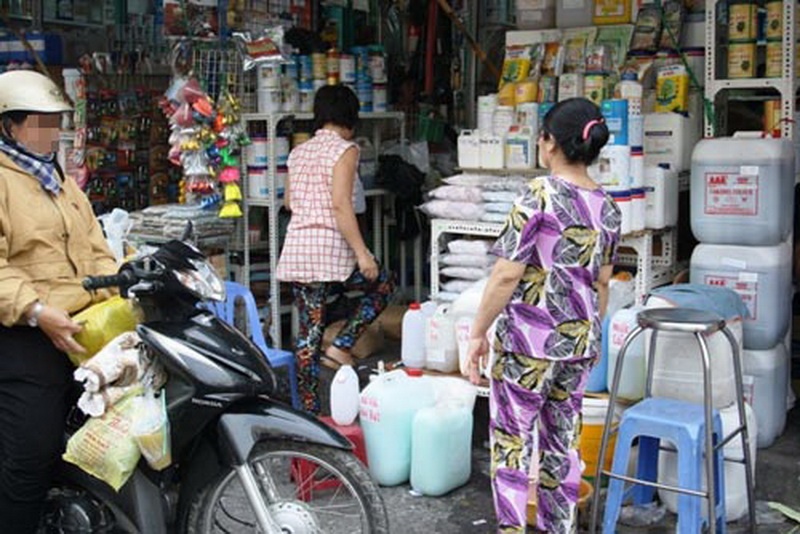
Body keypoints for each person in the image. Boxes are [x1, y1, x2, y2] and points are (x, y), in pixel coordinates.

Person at [467, 98, 621, 534]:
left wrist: (477, 332)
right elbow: (603, 283)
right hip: (578, 344)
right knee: (561, 447)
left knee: (513, 446)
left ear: (550, 143)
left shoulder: (539, 194)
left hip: (526, 345)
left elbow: (506, 274)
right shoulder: (608, 205)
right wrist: (587, 335)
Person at [0, 69, 117, 533]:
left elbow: (97, 248)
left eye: (56, 121)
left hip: (80, 329)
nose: (52, 131)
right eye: (41, 122)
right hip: (23, 335)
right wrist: (35, 310)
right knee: (31, 456)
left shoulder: (61, 182)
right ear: (9, 126)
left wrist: (117, 284)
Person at [276, 84, 395, 414]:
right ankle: (342, 344)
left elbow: (288, 202)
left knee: (308, 334)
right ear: (350, 118)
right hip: (330, 252)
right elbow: (342, 204)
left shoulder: (298, 152)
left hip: (298, 251)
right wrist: (363, 254)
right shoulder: (346, 150)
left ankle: (309, 413)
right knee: (383, 283)